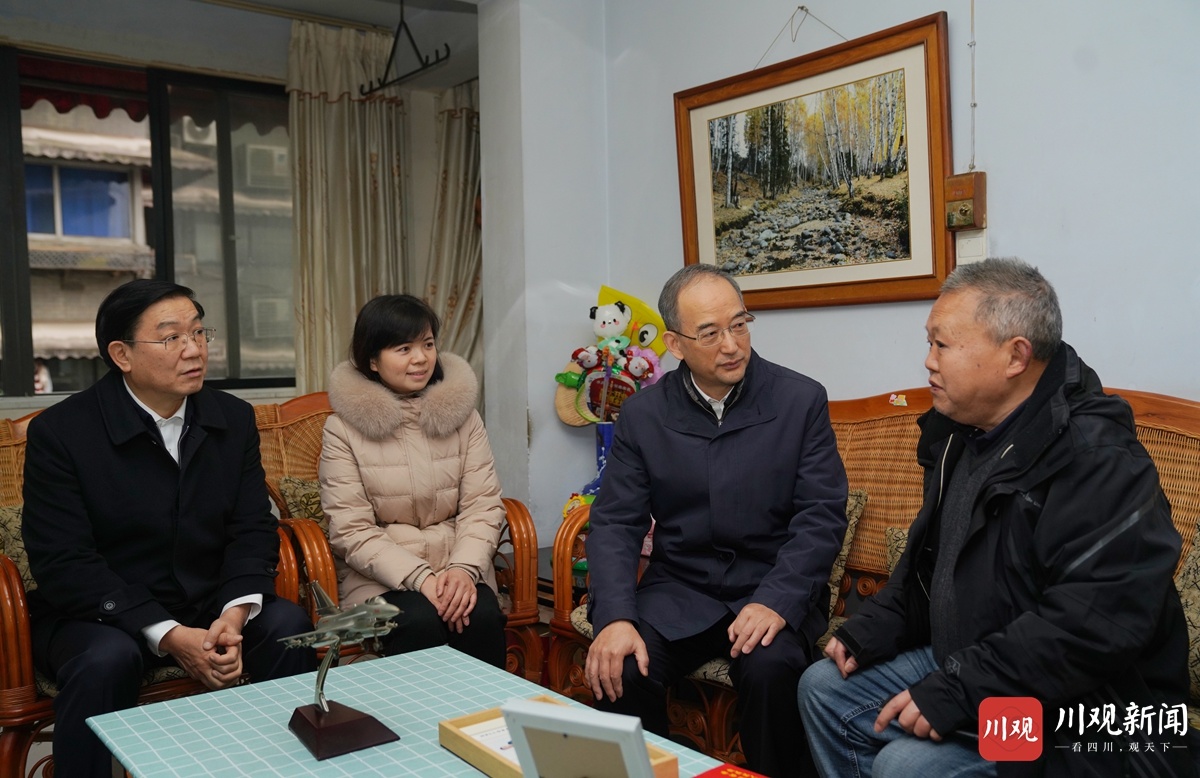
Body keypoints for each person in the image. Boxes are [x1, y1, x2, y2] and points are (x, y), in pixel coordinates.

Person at [798, 258, 1192, 777]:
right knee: (824, 689)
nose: (928, 362)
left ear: (1015, 356)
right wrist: (870, 629)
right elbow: (931, 571)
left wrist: (960, 690)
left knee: (907, 765)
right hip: (979, 662)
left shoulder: (1096, 459)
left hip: (1085, 708)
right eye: (929, 343)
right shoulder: (957, 433)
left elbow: (1089, 627)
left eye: (943, 345)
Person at [22, 279, 316, 778]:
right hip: (97, 613)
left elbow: (251, 527)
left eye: (199, 333)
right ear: (122, 354)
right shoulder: (62, 433)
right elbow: (64, 561)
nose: (194, 349)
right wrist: (170, 634)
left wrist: (235, 614)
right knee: (106, 660)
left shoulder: (232, 418)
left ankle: (282, 768)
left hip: (206, 599)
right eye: (171, 337)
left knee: (286, 627)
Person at [585, 264, 850, 777]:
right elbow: (616, 522)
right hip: (680, 589)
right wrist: (615, 616)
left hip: (769, 586)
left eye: (740, 324)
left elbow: (820, 515)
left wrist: (778, 599)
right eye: (710, 333)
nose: (732, 345)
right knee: (620, 665)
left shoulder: (799, 400)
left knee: (772, 670)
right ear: (675, 345)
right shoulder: (644, 414)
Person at [319, 294, 507, 668]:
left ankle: (487, 710)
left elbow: (483, 506)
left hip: (459, 567)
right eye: (403, 348)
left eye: (427, 344)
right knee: (418, 620)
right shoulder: (342, 429)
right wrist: (421, 578)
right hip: (381, 578)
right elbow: (350, 529)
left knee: (480, 615)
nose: (420, 358)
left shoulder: (465, 418)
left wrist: (463, 569)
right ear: (372, 360)